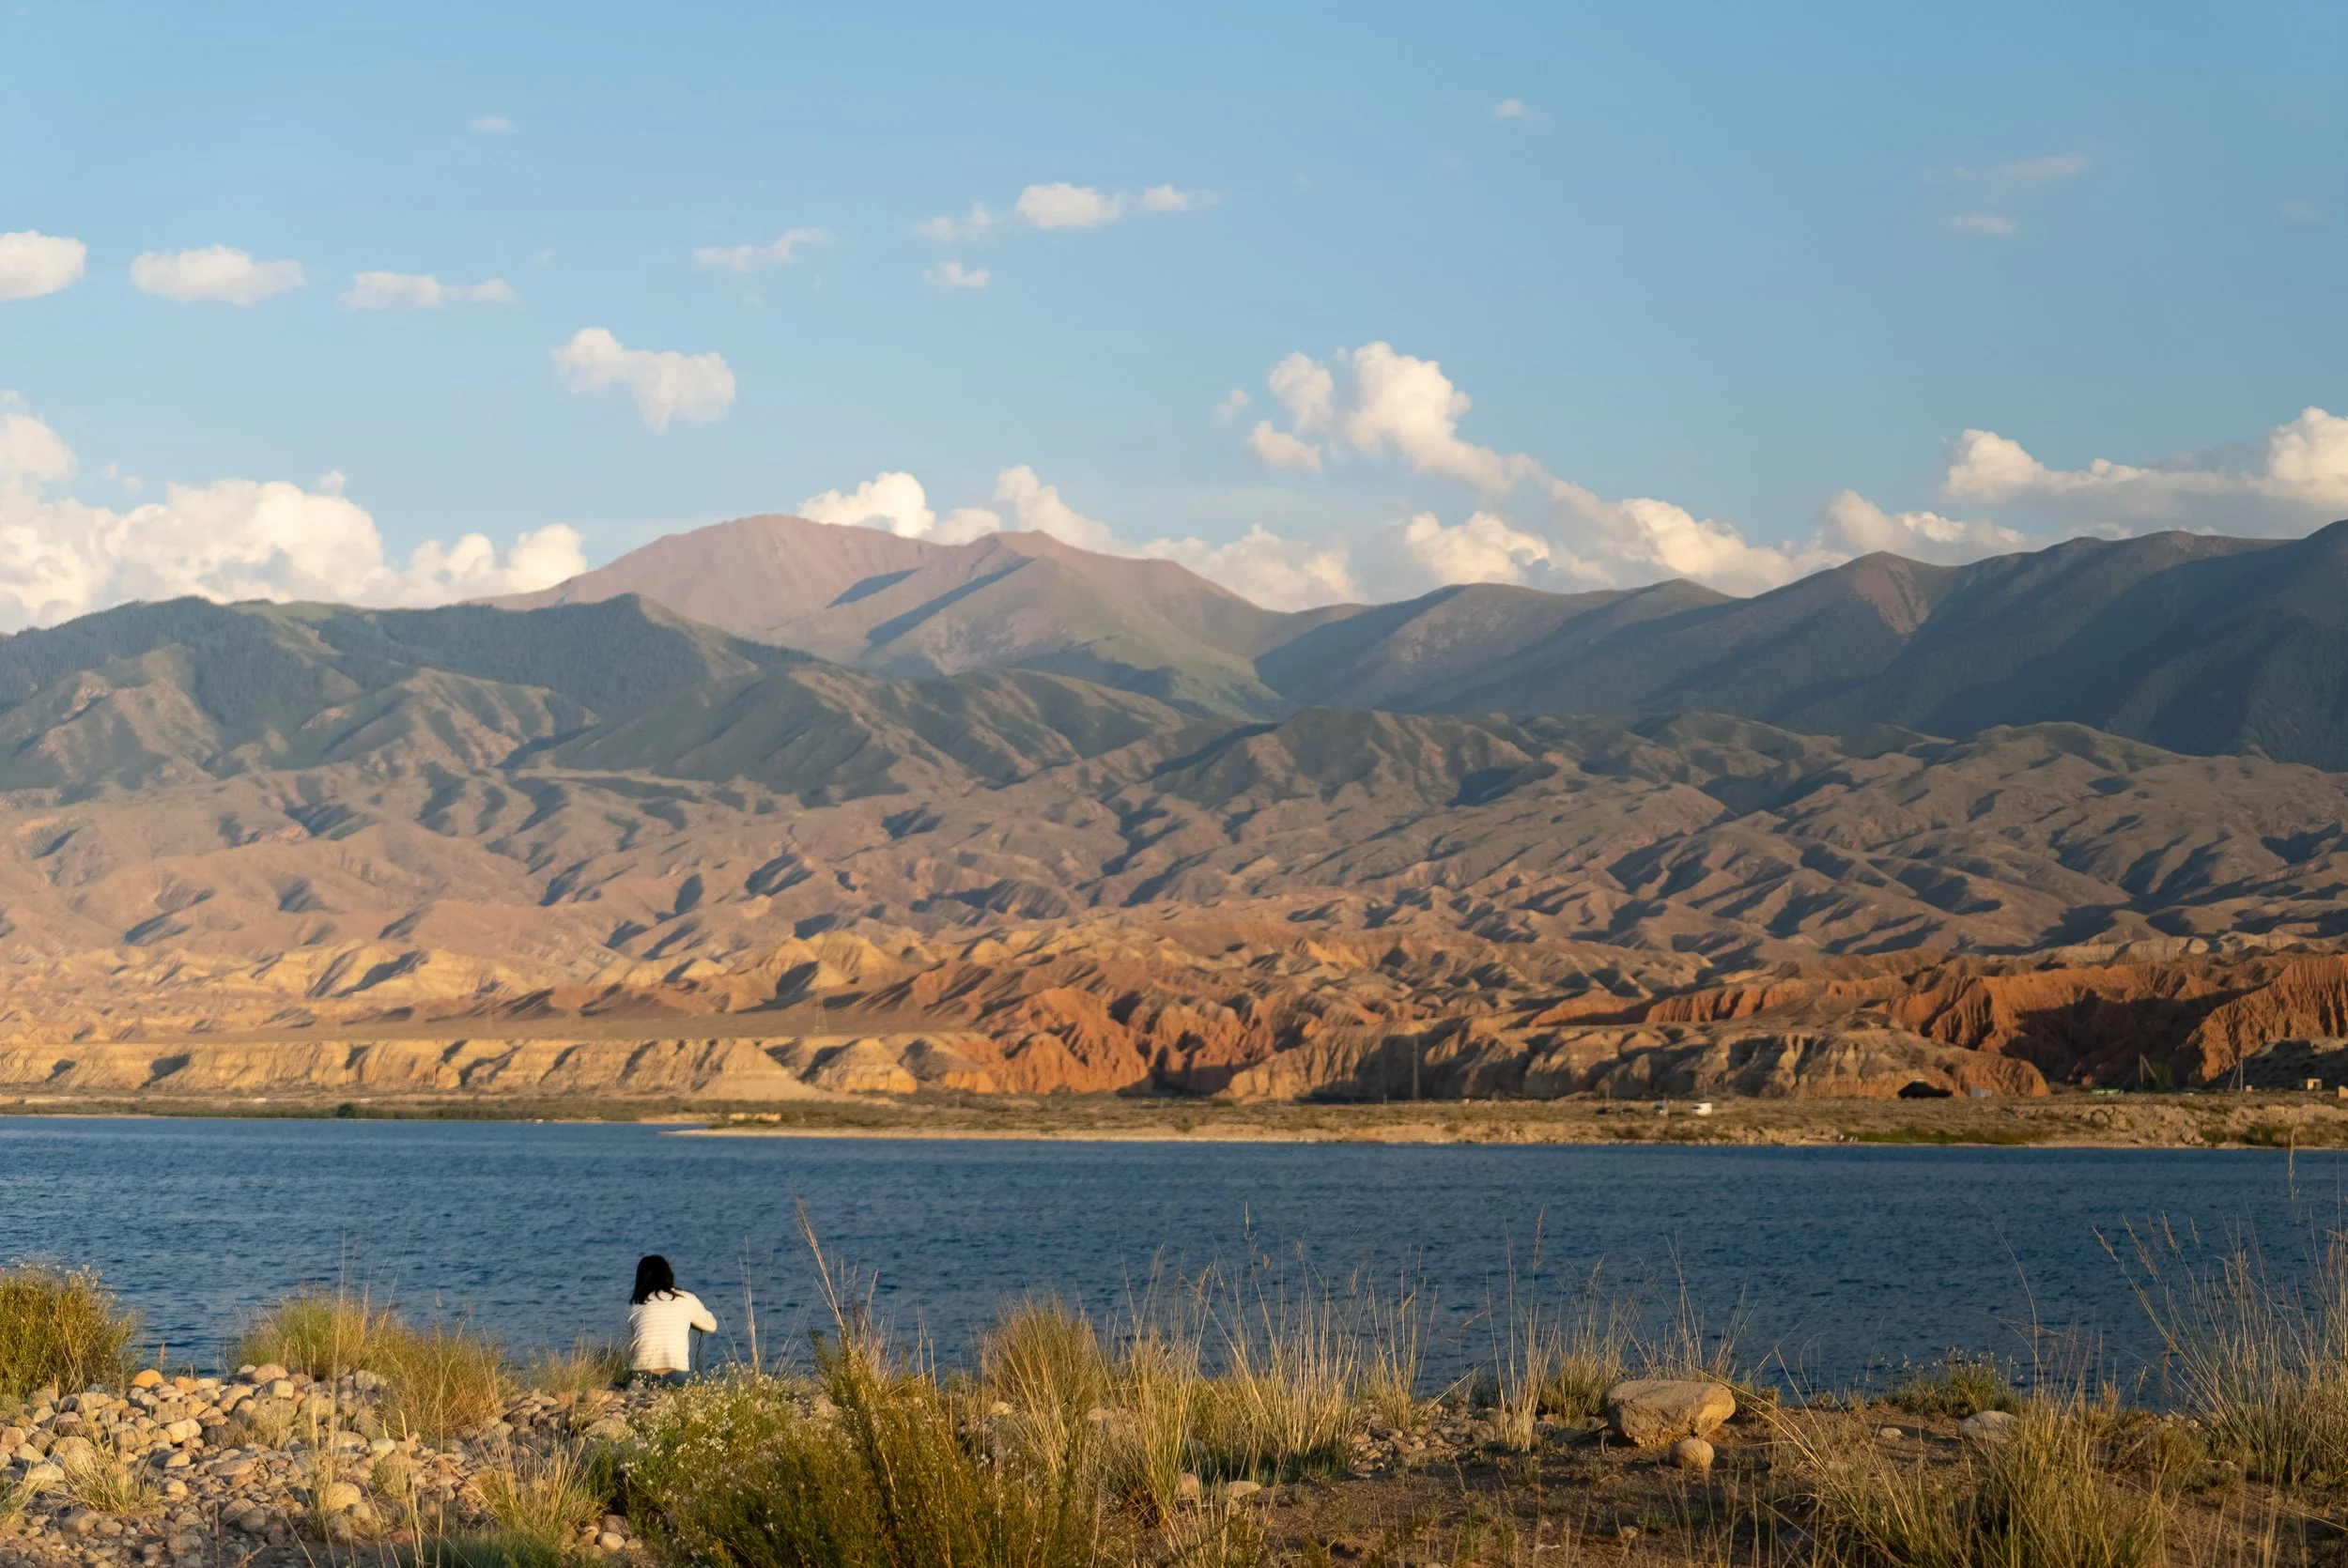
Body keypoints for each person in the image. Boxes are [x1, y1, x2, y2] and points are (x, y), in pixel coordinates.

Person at [626, 1254, 715, 1386]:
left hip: (641, 1376)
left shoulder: (637, 1305)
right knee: (698, 1326)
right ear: (668, 1274)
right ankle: (697, 1384)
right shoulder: (686, 1298)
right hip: (677, 1377)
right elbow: (712, 1325)